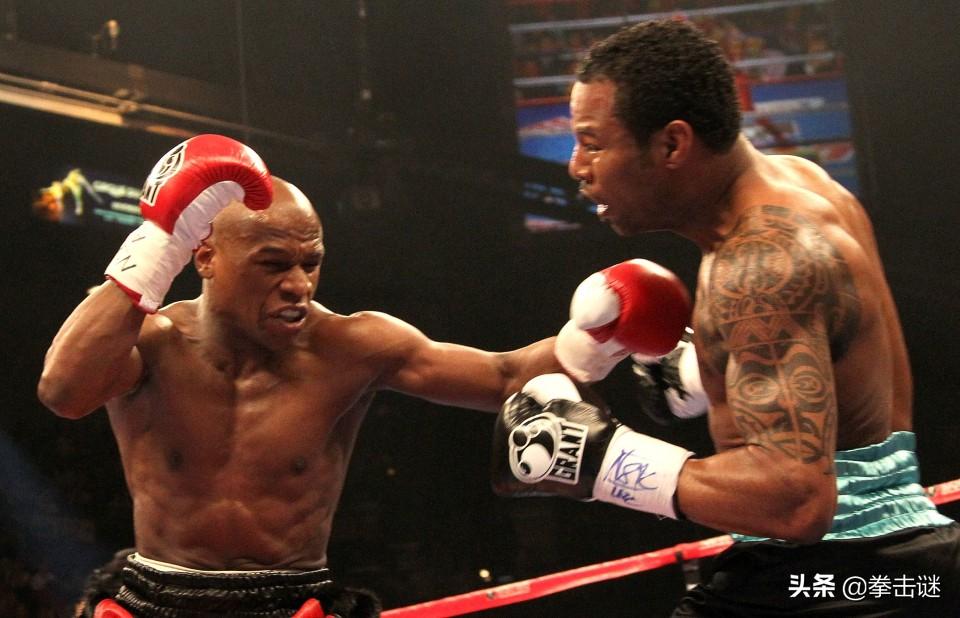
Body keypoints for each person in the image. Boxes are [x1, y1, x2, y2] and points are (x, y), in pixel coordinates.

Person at [491, 19, 960, 615]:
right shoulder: (803, 185)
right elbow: (846, 375)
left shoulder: (760, 262)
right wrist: (701, 373)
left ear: (672, 145)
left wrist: (604, 462)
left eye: (593, 143)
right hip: (909, 567)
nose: (576, 166)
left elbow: (796, 504)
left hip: (827, 580)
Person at [37, 134, 564, 618]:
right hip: (155, 598)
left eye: (310, 263)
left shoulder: (350, 346)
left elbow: (504, 376)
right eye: (273, 264)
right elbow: (64, 392)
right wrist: (159, 240)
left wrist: (598, 335)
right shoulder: (152, 342)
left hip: (293, 601)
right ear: (205, 257)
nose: (299, 285)